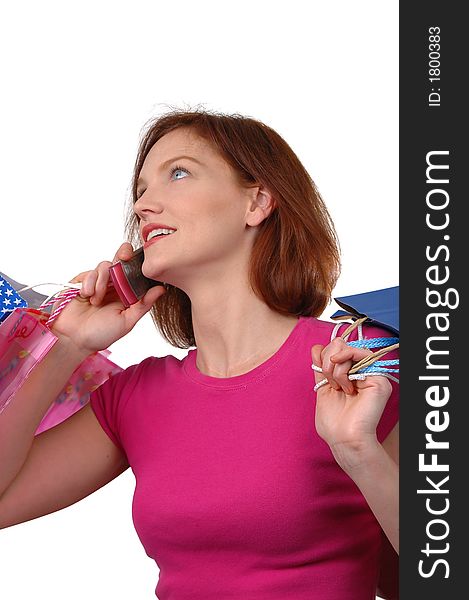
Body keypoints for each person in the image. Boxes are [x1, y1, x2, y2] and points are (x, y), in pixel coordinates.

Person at [0, 109, 399, 599]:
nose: (145, 204)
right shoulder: (136, 396)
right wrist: (68, 347)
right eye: (141, 190)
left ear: (257, 202)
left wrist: (359, 452)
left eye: (179, 172)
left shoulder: (357, 363)